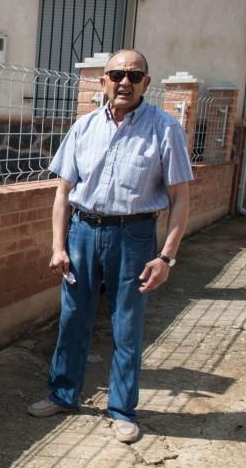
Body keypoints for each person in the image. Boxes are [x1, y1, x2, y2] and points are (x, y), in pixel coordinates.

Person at [26, 49, 192, 444]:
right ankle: (63, 394)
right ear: (103, 81)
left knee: (126, 325)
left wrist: (166, 255)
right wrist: (57, 245)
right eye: (116, 74)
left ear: (146, 84)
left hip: (134, 236)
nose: (124, 82)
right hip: (82, 232)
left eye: (134, 76)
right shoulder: (83, 127)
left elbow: (180, 197)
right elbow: (63, 192)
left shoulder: (165, 129)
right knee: (73, 319)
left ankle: (121, 410)